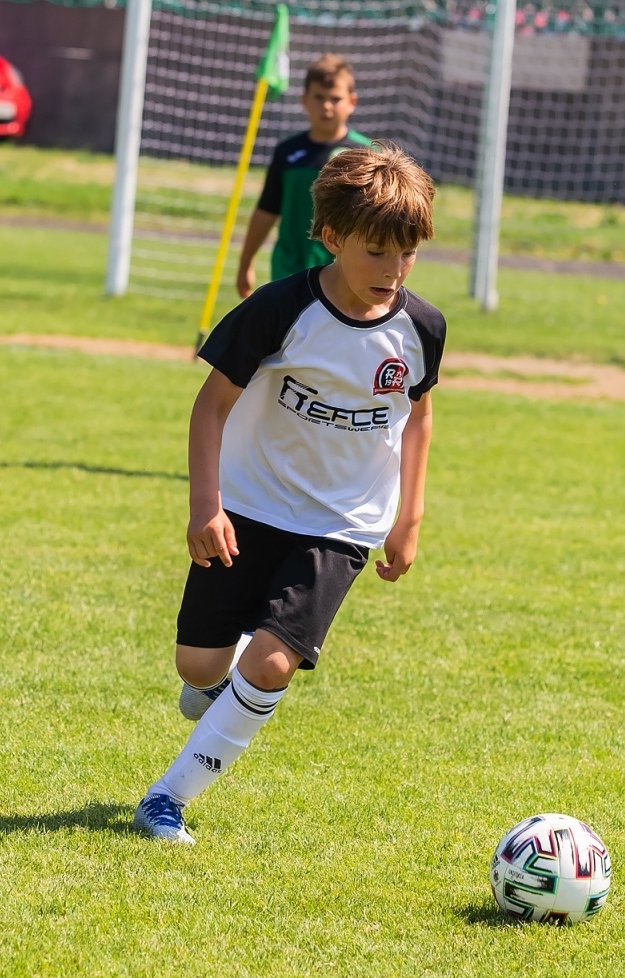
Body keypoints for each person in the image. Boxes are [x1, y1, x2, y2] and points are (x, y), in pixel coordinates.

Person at [135, 144, 443, 845]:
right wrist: (204, 506)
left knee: (272, 662)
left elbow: (420, 414)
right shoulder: (279, 311)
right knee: (198, 668)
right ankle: (226, 685)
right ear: (331, 238)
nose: (393, 273)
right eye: (375, 253)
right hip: (248, 507)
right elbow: (209, 406)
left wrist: (408, 517)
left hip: (342, 522)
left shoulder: (421, 327)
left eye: (407, 255)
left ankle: (167, 799)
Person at [235, 54, 371, 299]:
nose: (327, 106)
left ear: (352, 101)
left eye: (335, 99)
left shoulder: (367, 155)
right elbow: (266, 211)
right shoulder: (287, 152)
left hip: (344, 273)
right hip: (290, 270)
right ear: (305, 100)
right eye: (319, 98)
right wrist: (246, 263)